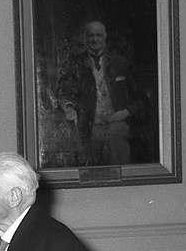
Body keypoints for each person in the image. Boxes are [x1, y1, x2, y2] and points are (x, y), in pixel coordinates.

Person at [56, 19, 146, 166]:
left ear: (105, 37)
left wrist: (126, 111)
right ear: (85, 39)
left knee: (117, 139)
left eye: (98, 35)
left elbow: (141, 98)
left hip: (117, 123)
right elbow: (62, 92)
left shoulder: (121, 63)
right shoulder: (74, 64)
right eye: (91, 36)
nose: (94, 39)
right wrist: (69, 108)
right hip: (89, 124)